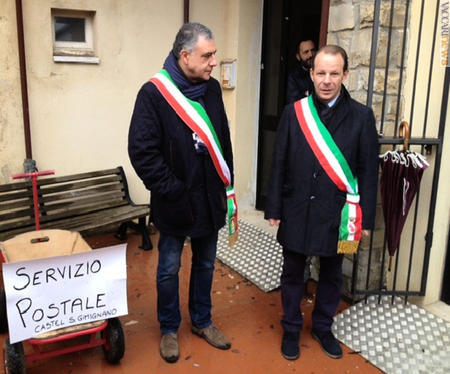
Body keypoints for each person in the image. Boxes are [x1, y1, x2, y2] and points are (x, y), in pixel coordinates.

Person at [128, 23, 234, 363]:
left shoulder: (213, 90)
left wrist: (226, 184)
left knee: (205, 264)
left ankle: (202, 321)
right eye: (207, 55)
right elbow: (142, 152)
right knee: (168, 268)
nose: (213, 62)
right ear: (184, 55)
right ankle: (169, 328)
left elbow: (222, 140)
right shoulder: (153, 94)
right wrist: (174, 190)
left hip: (209, 197)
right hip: (175, 202)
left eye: (214, 54)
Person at [265, 45, 378, 361]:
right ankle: (290, 327)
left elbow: (369, 170)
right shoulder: (294, 112)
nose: (327, 80)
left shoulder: (362, 117)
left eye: (334, 73)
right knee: (292, 273)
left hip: (342, 217)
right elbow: (280, 162)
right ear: (311, 74)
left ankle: (323, 327)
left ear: (345, 75)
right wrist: (274, 207)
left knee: (332, 274)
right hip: (297, 209)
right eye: (321, 73)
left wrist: (365, 219)